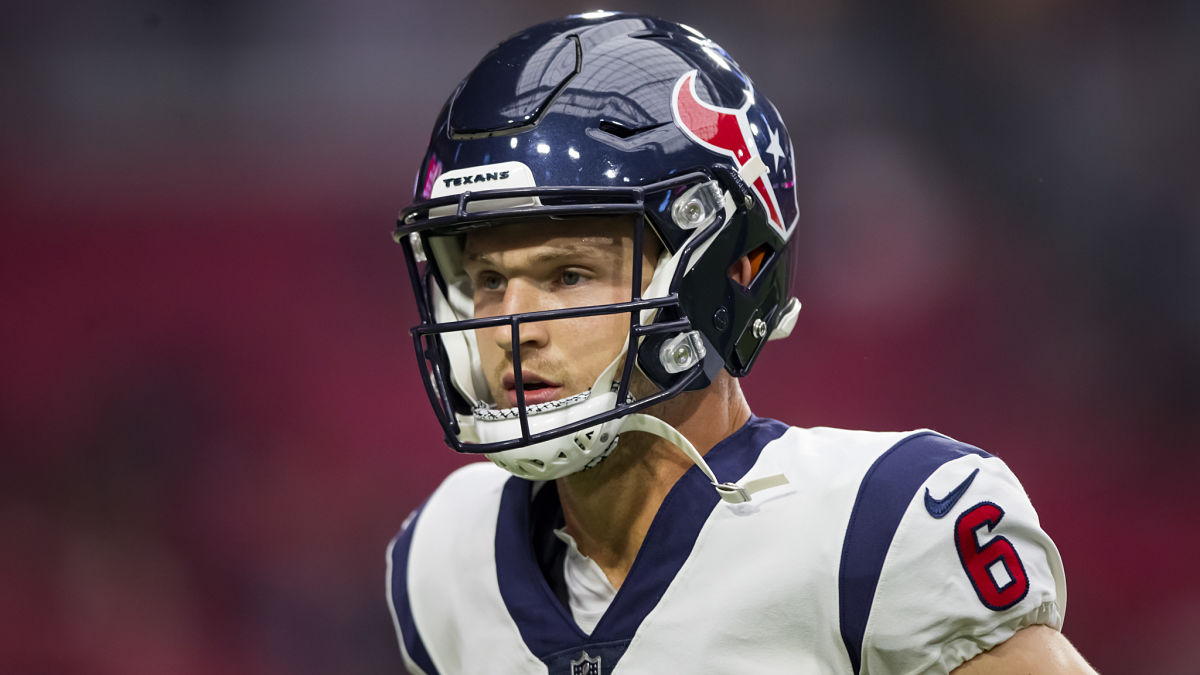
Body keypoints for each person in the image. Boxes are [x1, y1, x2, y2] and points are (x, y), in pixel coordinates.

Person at [386, 11, 1095, 674]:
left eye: (568, 274)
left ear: (725, 268)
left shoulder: (882, 526)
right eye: (485, 279)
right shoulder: (445, 556)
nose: (514, 325)